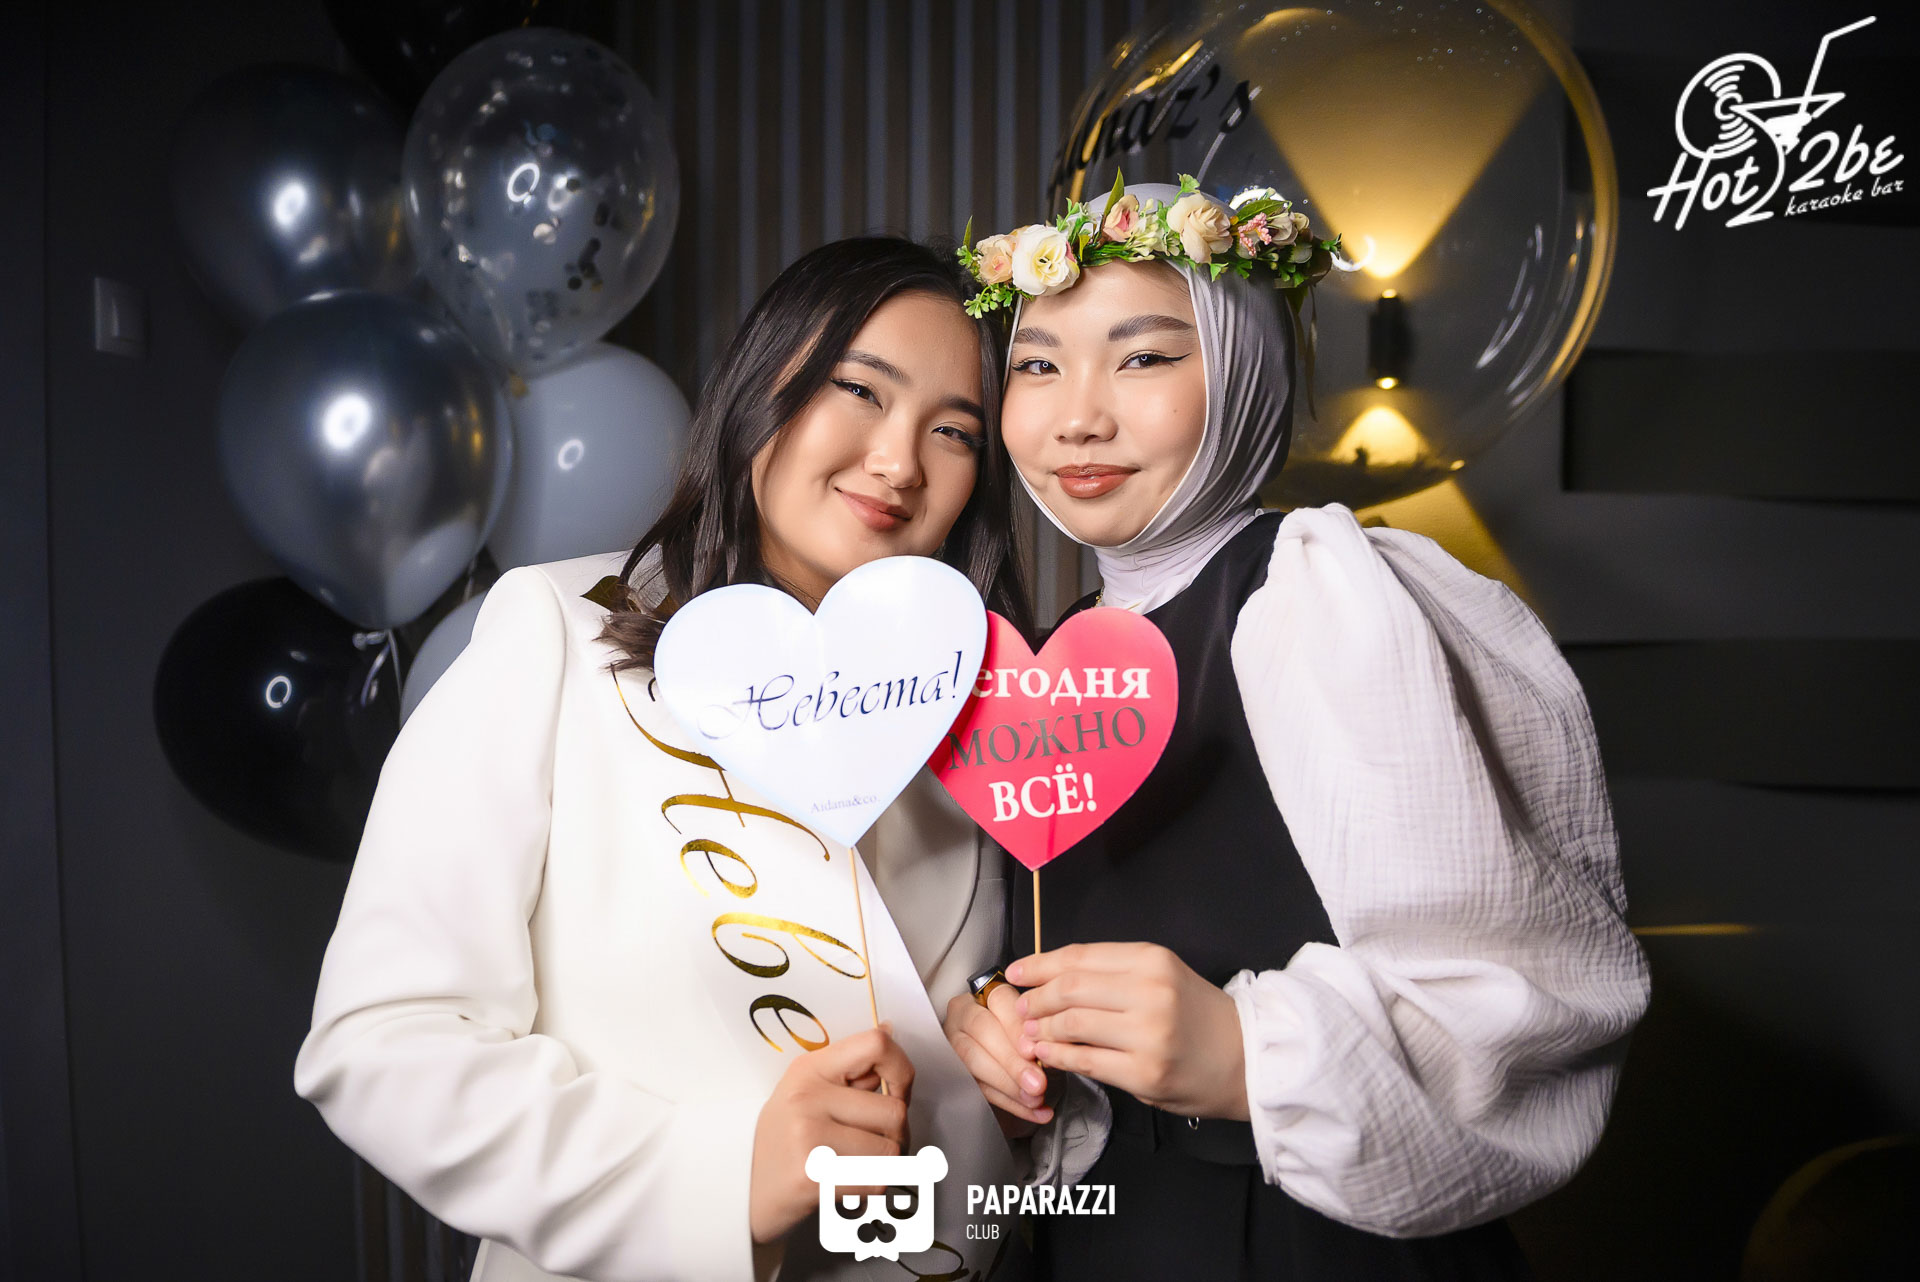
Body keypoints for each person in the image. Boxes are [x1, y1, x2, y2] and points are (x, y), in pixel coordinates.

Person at [294, 236, 1096, 1282]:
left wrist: (999, 1077)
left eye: (954, 432)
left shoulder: (977, 720)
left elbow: (943, 1059)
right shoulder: (556, 633)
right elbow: (382, 1042)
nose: (901, 463)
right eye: (860, 389)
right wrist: (722, 1182)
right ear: (763, 384)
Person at [941, 181, 1652, 1279]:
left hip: (1312, 1244)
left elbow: (1531, 993)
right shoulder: (1042, 660)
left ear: (1245, 371)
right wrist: (1007, 1044)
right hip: (1102, 1238)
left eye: (1144, 357)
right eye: (1037, 366)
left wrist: (1247, 1054)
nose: (1078, 416)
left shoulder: (1322, 598)